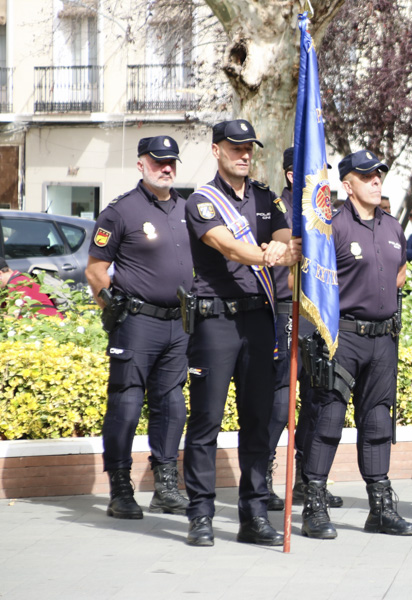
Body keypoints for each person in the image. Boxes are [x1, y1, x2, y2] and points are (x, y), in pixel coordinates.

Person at [182, 119, 301, 547]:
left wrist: (281, 249)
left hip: (259, 319)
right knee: (206, 421)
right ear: (217, 151)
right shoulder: (202, 201)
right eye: (235, 148)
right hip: (216, 323)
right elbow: (229, 247)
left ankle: (253, 516)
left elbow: (291, 245)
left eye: (249, 147)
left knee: (257, 422)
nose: (244, 154)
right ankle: (200, 515)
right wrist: (269, 253)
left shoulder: (268, 199)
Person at [299, 149, 412, 538]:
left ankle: (380, 508)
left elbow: (400, 270)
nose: (376, 180)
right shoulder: (331, 225)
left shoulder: (393, 225)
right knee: (328, 420)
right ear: (347, 185)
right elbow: (306, 281)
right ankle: (314, 504)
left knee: (378, 421)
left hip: (383, 338)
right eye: (366, 176)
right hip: (343, 337)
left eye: (378, 174)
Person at [84, 135, 192, 519]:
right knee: (127, 404)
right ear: (141, 164)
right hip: (136, 323)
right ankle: (120, 488)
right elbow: (96, 270)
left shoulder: (188, 208)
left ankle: (165, 487)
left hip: (177, 325)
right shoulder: (120, 211)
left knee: (172, 405)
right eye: (158, 160)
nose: (166, 167)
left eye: (171, 162)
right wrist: (113, 310)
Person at [264, 147, 342, 512]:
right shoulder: (275, 210)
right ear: (294, 175)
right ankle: (262, 478)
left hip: (317, 314)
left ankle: (308, 482)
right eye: (316, 172)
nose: (324, 178)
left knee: (317, 398)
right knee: (280, 401)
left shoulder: (326, 213)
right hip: (284, 309)